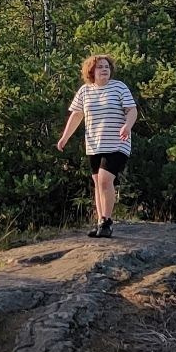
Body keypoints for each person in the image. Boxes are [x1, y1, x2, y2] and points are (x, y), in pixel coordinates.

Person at [56, 54, 136, 238]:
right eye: (100, 67)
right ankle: (101, 222)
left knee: (104, 180)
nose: (104, 69)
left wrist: (127, 125)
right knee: (97, 184)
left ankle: (107, 222)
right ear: (91, 71)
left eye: (107, 66)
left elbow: (132, 110)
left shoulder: (119, 87)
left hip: (117, 143)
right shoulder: (85, 91)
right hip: (94, 144)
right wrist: (65, 137)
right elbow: (77, 115)